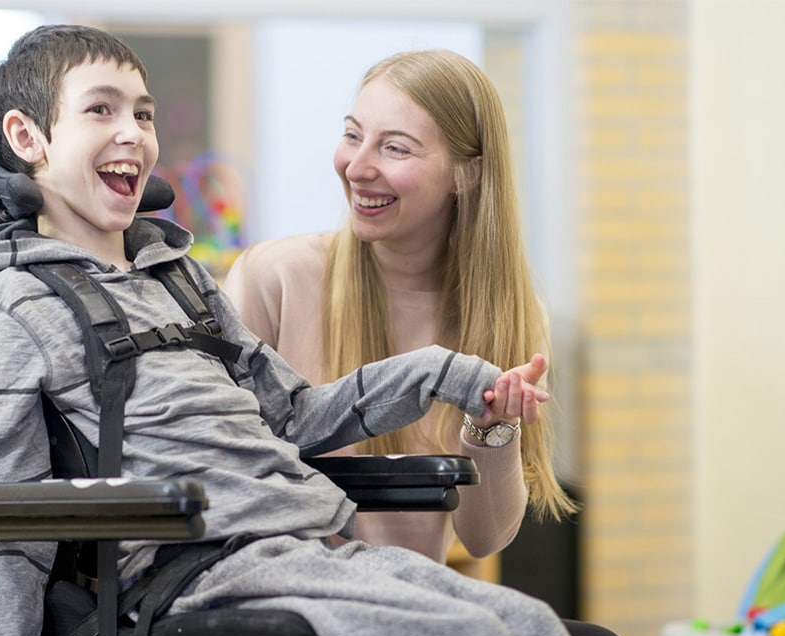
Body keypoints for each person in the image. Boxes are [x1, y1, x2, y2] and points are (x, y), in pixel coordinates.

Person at [0, 24, 588, 636]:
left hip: (299, 537)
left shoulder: (183, 279)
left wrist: (446, 374)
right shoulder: (9, 307)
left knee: (534, 631)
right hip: (196, 566)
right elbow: (5, 522)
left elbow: (296, 414)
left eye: (143, 112)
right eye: (100, 109)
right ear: (28, 138)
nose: (133, 132)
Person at [224, 49, 577, 564]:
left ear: (466, 174)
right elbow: (217, 473)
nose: (357, 166)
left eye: (394, 148)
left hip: (406, 600)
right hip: (279, 593)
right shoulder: (271, 279)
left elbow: (484, 539)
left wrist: (492, 430)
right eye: (352, 135)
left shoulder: (514, 317)